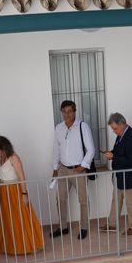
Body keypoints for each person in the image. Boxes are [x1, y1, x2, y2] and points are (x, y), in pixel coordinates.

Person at [0, 135, 44, 256]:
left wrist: (24, 193)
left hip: (14, 190)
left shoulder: (13, 157)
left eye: (0, 149)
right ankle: (11, 246)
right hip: (3, 191)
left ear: (5, 147)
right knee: (7, 219)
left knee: (21, 217)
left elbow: (22, 177)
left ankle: (29, 245)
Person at [51, 99, 94, 240]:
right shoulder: (58, 128)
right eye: (64, 111)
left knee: (83, 200)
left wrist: (83, 165)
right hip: (63, 169)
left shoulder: (83, 126)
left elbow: (91, 149)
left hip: (78, 170)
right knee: (60, 199)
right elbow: (56, 149)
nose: (67, 114)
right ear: (61, 112)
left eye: (69, 111)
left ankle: (83, 228)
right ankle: (63, 227)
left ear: (74, 111)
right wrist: (55, 168)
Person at [100, 112, 132, 235]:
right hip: (120, 175)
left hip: (129, 176)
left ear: (122, 124)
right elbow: (119, 151)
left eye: (115, 128)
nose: (114, 131)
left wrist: (113, 156)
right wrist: (111, 153)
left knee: (131, 203)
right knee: (116, 200)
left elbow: (131, 160)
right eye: (112, 129)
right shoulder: (122, 134)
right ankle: (112, 224)